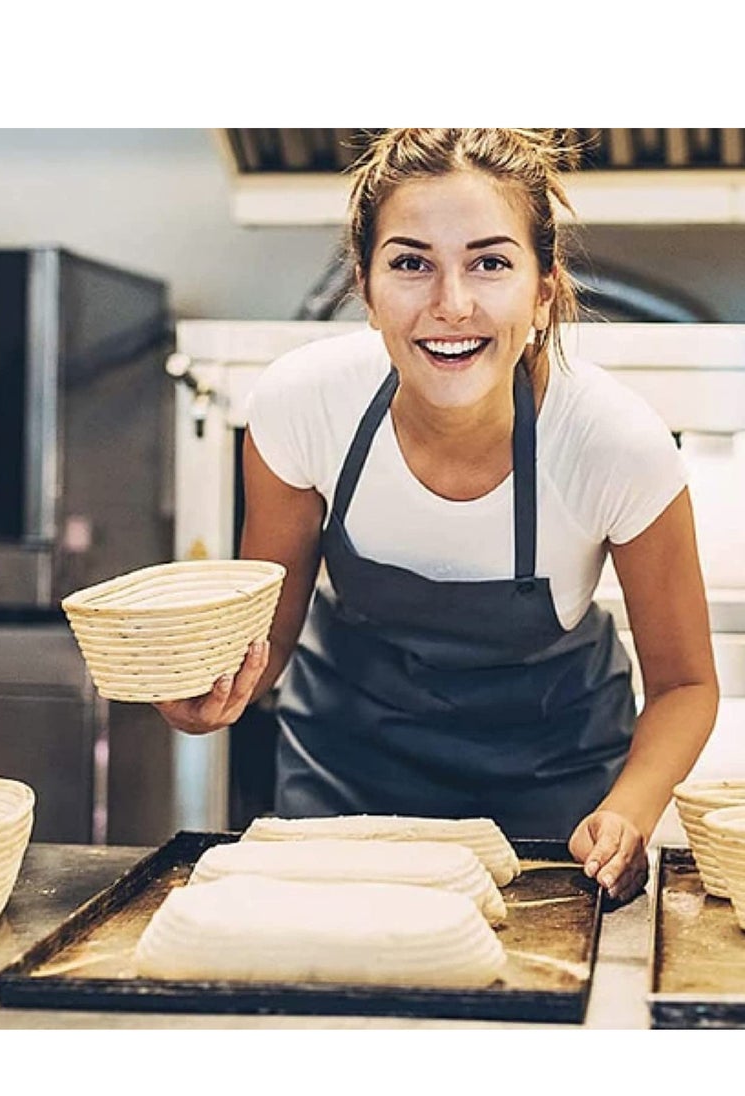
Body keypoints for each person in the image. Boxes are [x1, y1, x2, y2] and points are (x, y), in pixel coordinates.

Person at [157, 128, 719, 904]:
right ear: (366, 284)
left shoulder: (613, 444)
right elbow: (271, 641)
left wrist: (628, 811)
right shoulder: (301, 407)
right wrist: (218, 689)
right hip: (344, 783)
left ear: (543, 287)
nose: (451, 305)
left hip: (556, 792)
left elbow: (686, 684)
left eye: (490, 262)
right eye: (411, 263)